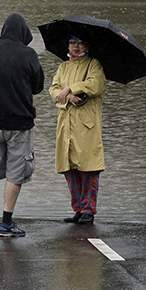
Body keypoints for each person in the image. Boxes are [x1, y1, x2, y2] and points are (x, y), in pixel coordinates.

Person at [0, 13, 45, 238]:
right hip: (20, 125)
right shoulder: (28, 54)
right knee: (16, 173)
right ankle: (6, 223)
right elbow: (38, 86)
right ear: (24, 34)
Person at [49, 36, 106, 224]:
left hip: (86, 127)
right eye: (72, 41)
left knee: (89, 169)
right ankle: (78, 209)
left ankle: (89, 210)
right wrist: (66, 96)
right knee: (70, 169)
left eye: (80, 42)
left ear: (87, 45)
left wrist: (71, 89)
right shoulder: (63, 67)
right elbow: (54, 88)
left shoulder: (94, 65)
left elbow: (95, 85)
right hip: (66, 125)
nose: (75, 46)